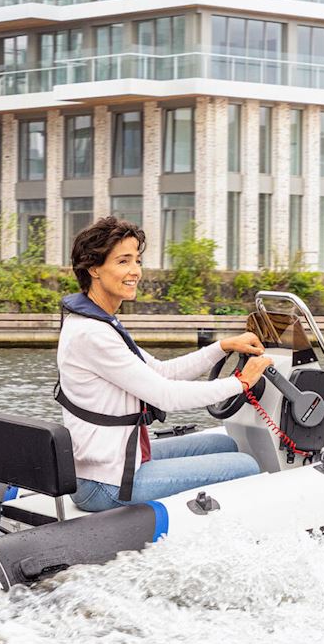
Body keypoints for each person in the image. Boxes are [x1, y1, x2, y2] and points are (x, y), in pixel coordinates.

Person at [57, 216, 271, 511]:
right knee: (245, 465)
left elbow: (161, 372)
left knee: (224, 445)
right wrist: (241, 383)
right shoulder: (92, 334)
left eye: (137, 260)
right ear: (94, 268)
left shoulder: (97, 322)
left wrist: (221, 348)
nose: (135, 271)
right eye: (123, 261)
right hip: (106, 483)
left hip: (115, 461)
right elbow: (165, 395)